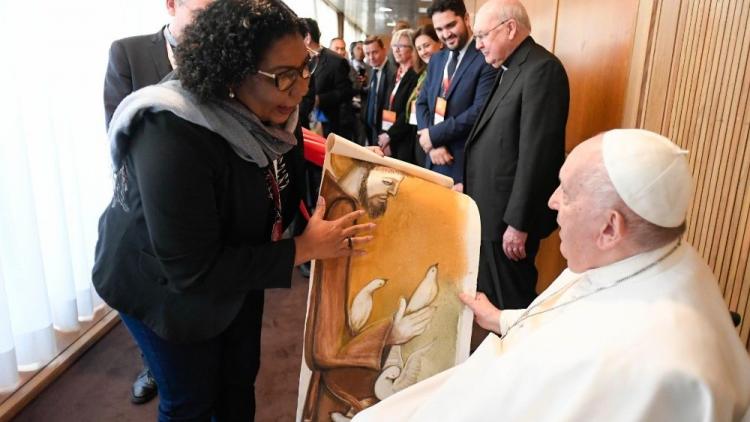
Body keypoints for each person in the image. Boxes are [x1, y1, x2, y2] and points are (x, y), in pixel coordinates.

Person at [93, 1, 374, 420]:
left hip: (239, 265)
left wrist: (351, 164)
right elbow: (192, 269)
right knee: (190, 398)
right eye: (283, 76)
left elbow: (287, 164)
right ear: (232, 72)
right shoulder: (170, 130)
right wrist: (303, 248)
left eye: (304, 68)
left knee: (239, 382)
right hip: (162, 285)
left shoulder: (274, 108)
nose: (300, 89)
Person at [353, 129, 750, 421]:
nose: (552, 202)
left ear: (610, 228)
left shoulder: (646, 368)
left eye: (566, 192)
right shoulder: (649, 256)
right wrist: (501, 319)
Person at [101, 0, 214, 404]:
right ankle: (152, 364)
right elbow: (120, 132)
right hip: (147, 212)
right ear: (172, 4)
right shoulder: (128, 52)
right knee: (173, 371)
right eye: (204, 10)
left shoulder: (227, 52)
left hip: (207, 214)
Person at [302, 163, 436, 421]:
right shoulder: (342, 210)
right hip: (339, 393)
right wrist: (389, 333)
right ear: (364, 171)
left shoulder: (347, 205)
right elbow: (325, 349)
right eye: (388, 182)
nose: (392, 192)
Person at [464, 0, 569, 324]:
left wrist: (518, 223)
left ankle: (520, 371)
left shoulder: (542, 70)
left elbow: (538, 154)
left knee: (512, 306)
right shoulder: (510, 67)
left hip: (508, 220)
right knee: (494, 304)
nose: (478, 44)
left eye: (483, 35)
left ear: (510, 28)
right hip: (492, 212)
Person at [416, 0, 497, 192]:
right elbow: (421, 103)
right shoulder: (437, 59)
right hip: (433, 157)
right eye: (439, 29)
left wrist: (434, 136)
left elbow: (479, 111)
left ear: (467, 19)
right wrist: (432, 144)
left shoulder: (485, 58)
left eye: (451, 25)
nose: (446, 34)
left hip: (461, 165)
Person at [303, 18, 354, 139]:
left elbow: (345, 91)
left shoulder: (335, 61)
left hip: (329, 125)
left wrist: (319, 99)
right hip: (306, 123)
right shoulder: (300, 59)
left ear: (308, 38)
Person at [376, 29, 419, 163]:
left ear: (413, 49)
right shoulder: (396, 74)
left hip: (406, 139)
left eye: (401, 46)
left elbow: (408, 114)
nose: (396, 50)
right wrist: (386, 138)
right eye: (394, 46)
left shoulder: (416, 76)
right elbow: (389, 107)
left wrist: (390, 136)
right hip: (391, 138)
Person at [406, 24, 442, 167]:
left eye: (426, 45)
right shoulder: (424, 73)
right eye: (419, 48)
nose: (423, 52)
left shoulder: (443, 72)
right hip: (422, 133)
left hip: (437, 137)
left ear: (439, 42)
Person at [362, 36, 397, 146]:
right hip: (371, 127)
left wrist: (387, 134)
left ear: (384, 50)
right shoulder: (371, 69)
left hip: (384, 130)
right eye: (367, 54)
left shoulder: (393, 72)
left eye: (375, 52)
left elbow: (391, 106)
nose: (371, 57)